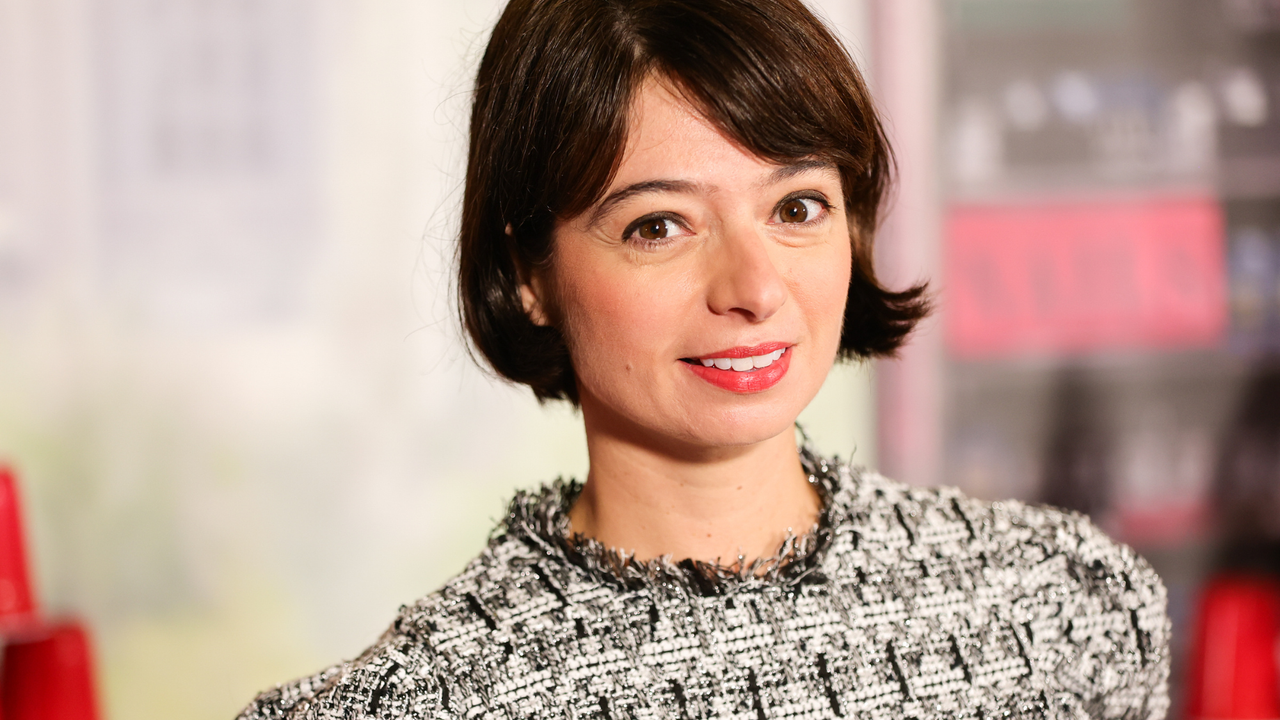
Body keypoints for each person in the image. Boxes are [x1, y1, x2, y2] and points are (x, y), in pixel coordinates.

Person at [238, 0, 1171, 717]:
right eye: (659, 225)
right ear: (530, 273)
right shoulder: (424, 698)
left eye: (796, 207)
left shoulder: (1060, 609)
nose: (753, 287)